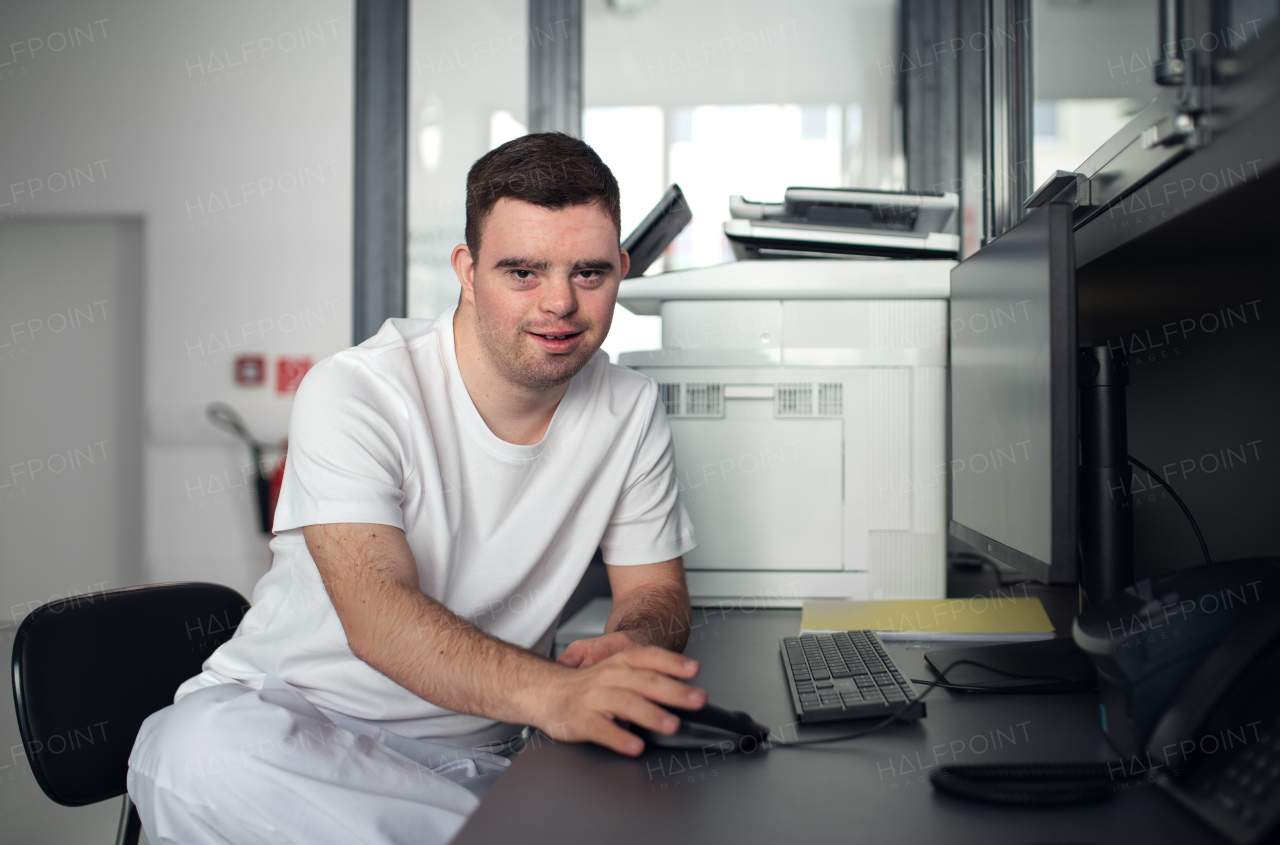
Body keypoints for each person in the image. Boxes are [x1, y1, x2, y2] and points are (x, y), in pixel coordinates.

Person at [127, 132, 703, 845]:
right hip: (300, 736)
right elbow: (379, 618)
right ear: (467, 269)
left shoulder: (630, 407)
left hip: (482, 758)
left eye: (589, 274)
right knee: (195, 754)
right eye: (523, 272)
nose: (560, 302)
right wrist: (558, 692)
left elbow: (654, 590)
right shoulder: (358, 392)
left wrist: (629, 650)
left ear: (622, 268)